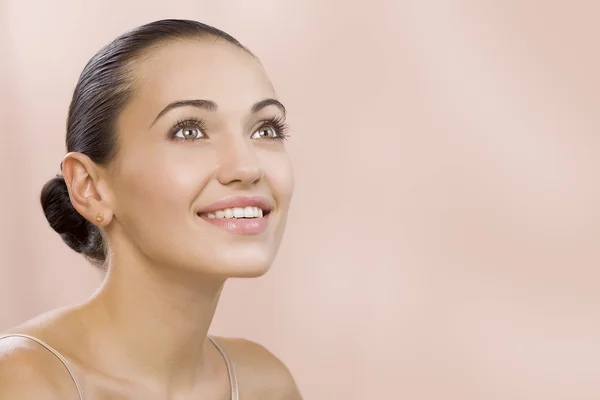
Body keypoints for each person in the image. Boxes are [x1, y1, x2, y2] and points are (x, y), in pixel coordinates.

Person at [0, 19, 301, 399]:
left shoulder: (264, 383)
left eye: (265, 129)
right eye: (189, 131)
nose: (248, 167)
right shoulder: (23, 382)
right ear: (90, 187)